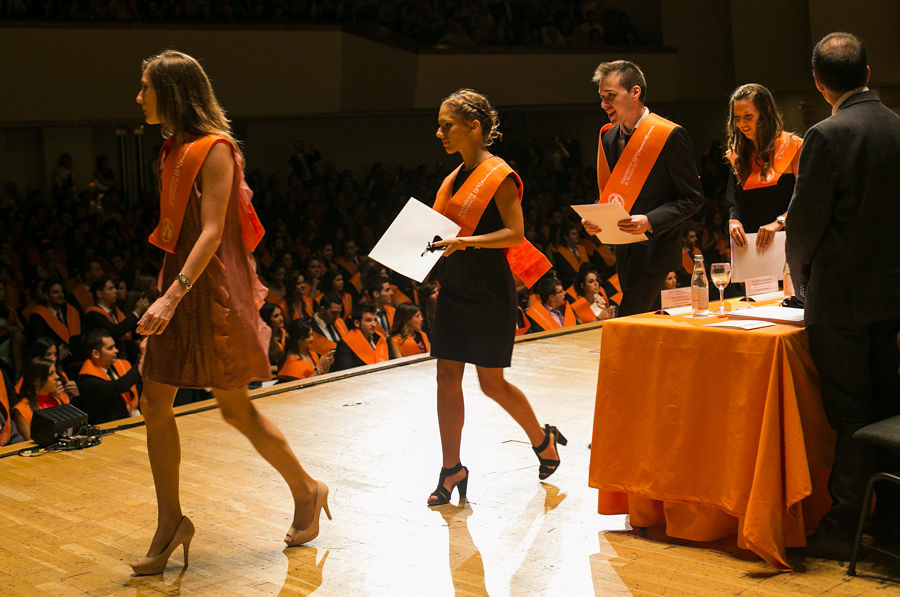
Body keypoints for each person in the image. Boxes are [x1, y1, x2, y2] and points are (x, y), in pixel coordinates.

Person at [131, 50, 330, 575]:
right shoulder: (171, 149)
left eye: (145, 87)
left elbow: (214, 232)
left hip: (209, 290)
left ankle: (308, 488)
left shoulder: (215, 150)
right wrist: (165, 292)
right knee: (155, 402)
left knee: (234, 409)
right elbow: (179, 236)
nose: (139, 96)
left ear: (171, 92)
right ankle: (170, 520)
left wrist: (171, 295)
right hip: (179, 282)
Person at [785, 32, 900, 560]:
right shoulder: (898, 127)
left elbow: (805, 227)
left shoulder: (827, 135)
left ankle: (845, 522)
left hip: (842, 302)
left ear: (818, 81)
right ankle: (891, 513)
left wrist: (802, 284)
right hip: (891, 295)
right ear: (868, 73)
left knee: (851, 414)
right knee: (886, 403)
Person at [428, 88, 563, 506]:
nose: (440, 133)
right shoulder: (453, 178)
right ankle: (452, 468)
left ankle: (543, 438)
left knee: (491, 383)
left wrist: (466, 243)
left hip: (489, 289)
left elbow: (515, 233)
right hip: (454, 287)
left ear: (474, 127)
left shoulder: (499, 174)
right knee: (446, 376)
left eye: (447, 126)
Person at [583, 60, 704, 316]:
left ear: (635, 92)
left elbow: (692, 198)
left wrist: (649, 220)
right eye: (602, 97)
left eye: (611, 96)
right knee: (648, 330)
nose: (604, 104)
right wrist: (596, 217)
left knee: (629, 323)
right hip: (624, 249)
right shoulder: (608, 136)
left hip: (657, 252)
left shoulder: (670, 135)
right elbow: (611, 194)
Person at [725, 83, 803, 252]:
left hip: (788, 241)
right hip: (749, 246)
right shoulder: (737, 154)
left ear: (766, 111)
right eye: (737, 117)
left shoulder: (794, 147)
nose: (742, 123)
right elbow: (735, 202)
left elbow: (806, 198)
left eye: (748, 116)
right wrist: (734, 221)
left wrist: (778, 223)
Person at [74, 329, 140, 424]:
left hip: (129, 419)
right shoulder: (87, 380)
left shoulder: (116, 366)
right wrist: (141, 362)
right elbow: (119, 386)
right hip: (108, 430)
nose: (116, 351)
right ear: (96, 354)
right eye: (110, 348)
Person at [12, 357, 69, 441]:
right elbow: (32, 443)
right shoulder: (22, 410)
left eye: (55, 372)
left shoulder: (58, 399)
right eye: (51, 374)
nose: (57, 377)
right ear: (37, 381)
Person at [331, 301, 390, 371]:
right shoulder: (345, 345)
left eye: (375, 320)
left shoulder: (380, 338)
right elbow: (346, 374)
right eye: (368, 320)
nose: (374, 324)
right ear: (357, 323)